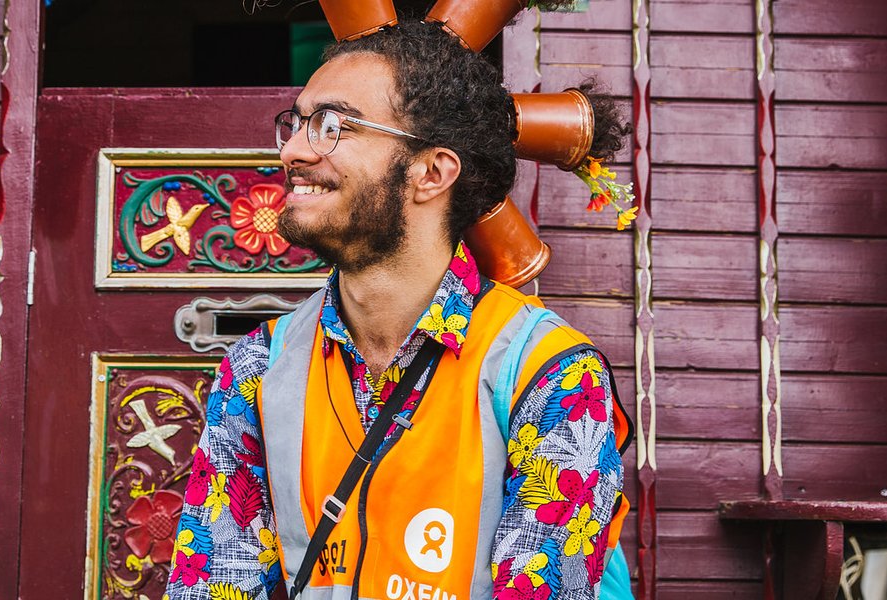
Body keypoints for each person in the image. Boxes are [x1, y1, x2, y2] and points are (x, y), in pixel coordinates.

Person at [166, 20, 630, 600]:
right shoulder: (258, 369)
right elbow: (215, 585)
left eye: (333, 125)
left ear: (431, 173)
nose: (292, 150)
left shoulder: (550, 374)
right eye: (297, 122)